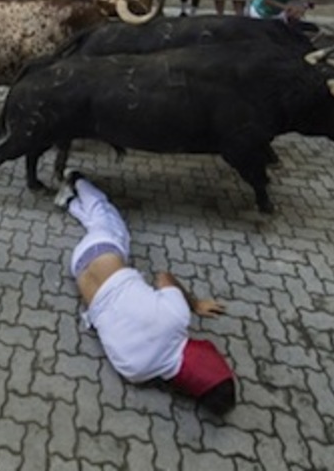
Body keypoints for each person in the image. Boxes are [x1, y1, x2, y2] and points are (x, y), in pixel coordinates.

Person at [52, 171, 236, 414]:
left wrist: (193, 303)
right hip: (78, 269)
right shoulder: (136, 373)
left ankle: (76, 179)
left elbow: (163, 276)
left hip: (102, 248)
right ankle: (70, 202)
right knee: (95, 224)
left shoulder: (177, 318)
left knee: (105, 215)